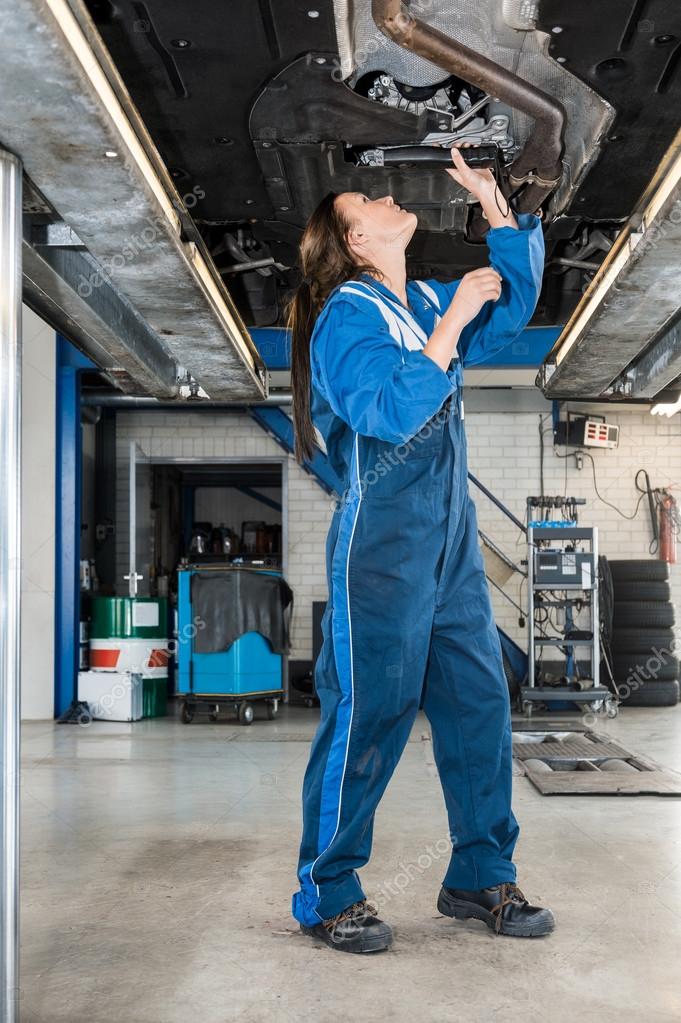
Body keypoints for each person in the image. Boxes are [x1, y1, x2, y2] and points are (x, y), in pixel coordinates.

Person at [286, 144, 555, 953]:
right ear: (355, 243)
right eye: (362, 200)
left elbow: (510, 306)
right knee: (369, 714)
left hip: (450, 548)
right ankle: (328, 891)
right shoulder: (344, 317)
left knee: (478, 708)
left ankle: (477, 873)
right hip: (381, 550)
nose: (381, 197)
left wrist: (495, 208)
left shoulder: (421, 298)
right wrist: (448, 324)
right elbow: (387, 408)